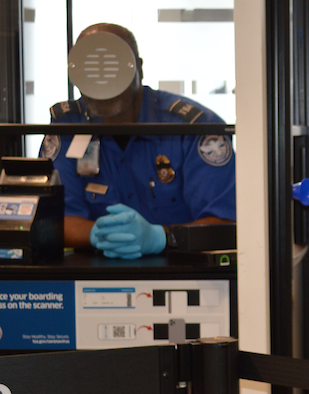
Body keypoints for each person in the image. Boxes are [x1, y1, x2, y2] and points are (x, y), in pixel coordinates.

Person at [40, 23, 235, 258]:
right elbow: (54, 219)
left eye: (113, 65)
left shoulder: (193, 127)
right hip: (96, 273)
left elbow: (225, 222)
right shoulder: (69, 126)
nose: (103, 78)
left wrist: (162, 237)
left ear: (139, 68)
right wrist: (98, 235)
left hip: (184, 267)